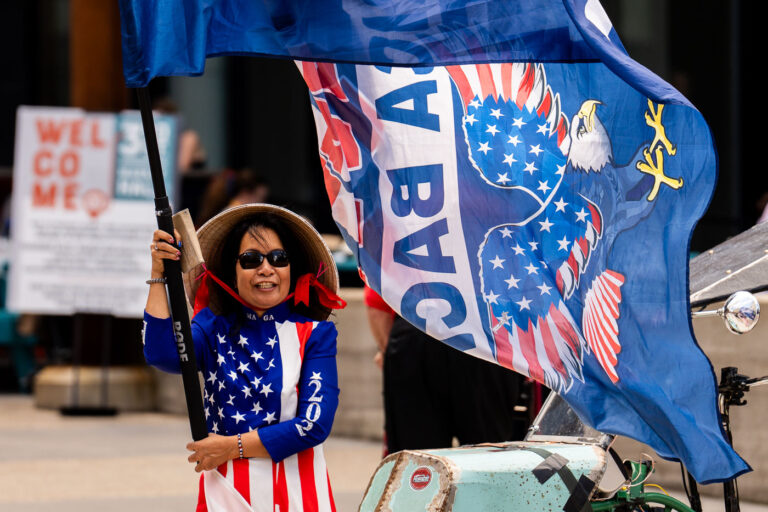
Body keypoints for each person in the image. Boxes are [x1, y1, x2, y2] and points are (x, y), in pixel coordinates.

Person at [143, 204, 345, 511]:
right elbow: (161, 354)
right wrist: (159, 274)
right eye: (251, 260)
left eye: (279, 258)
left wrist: (230, 447)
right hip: (226, 493)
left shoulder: (315, 334)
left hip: (299, 496)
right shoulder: (210, 328)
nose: (266, 269)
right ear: (231, 272)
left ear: (292, 267)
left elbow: (314, 425)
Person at [364, 285, 530, 454]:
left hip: (417, 330)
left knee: (417, 465)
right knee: (487, 458)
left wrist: (387, 349)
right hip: (486, 334)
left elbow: (376, 300)